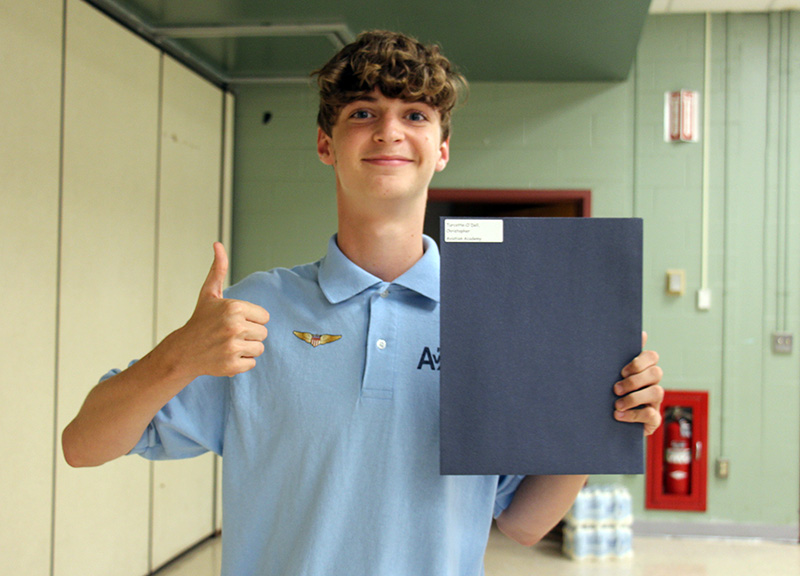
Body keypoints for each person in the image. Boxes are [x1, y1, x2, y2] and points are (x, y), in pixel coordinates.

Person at [62, 30, 664, 575]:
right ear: (326, 145)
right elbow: (82, 444)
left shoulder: (493, 319)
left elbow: (524, 523)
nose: (389, 131)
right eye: (363, 112)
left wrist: (603, 416)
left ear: (442, 148)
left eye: (416, 114)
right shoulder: (255, 312)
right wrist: (178, 357)